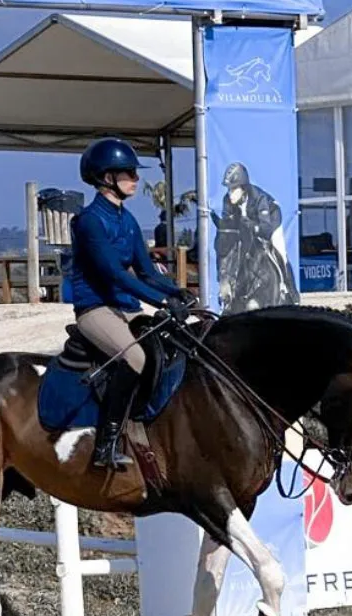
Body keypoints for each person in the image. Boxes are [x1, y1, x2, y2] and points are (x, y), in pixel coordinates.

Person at [69, 138, 196, 471]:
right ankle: (105, 444)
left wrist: (177, 292)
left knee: (173, 345)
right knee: (135, 356)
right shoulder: (90, 221)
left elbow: (145, 270)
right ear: (107, 177)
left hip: (124, 307)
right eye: (129, 173)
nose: (136, 180)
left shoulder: (126, 220)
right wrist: (160, 301)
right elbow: (113, 273)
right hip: (95, 308)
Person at [216, 162, 298, 309]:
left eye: (234, 189)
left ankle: (290, 291)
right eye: (229, 189)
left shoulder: (260, 199)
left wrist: (253, 228)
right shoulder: (227, 200)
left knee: (280, 251)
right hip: (247, 225)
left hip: (270, 222)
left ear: (244, 188)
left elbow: (265, 229)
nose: (230, 194)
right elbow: (227, 225)